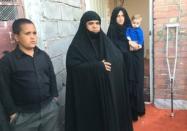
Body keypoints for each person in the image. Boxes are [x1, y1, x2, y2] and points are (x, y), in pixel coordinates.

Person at [65, 11, 133, 131]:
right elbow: (73, 67)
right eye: (91, 23)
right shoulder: (76, 46)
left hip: (109, 92)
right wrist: (96, 66)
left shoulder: (106, 41)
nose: (95, 26)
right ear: (84, 25)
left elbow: (118, 58)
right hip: (91, 96)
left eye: (97, 23)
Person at [0, 18, 59, 131]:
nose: (33, 37)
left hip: (49, 110)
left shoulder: (43, 56)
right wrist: (12, 113)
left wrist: (54, 98)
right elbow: (3, 89)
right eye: (27, 33)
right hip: (24, 117)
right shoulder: (8, 61)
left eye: (34, 33)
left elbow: (52, 77)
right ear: (16, 37)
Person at [107, 6, 145, 121]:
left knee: (133, 89)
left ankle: (134, 112)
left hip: (132, 67)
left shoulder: (132, 28)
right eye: (117, 16)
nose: (120, 18)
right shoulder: (111, 32)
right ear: (114, 18)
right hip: (119, 70)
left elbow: (140, 45)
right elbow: (109, 49)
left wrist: (137, 47)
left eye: (122, 15)